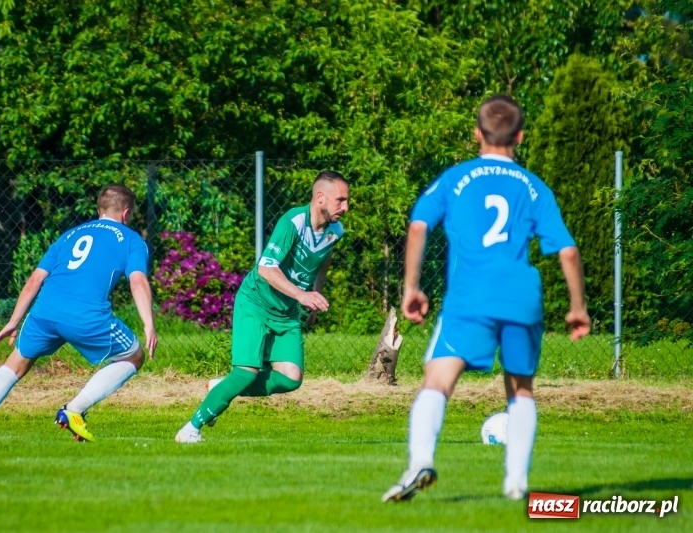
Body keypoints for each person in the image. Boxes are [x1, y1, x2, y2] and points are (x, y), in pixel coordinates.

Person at [382, 95, 590, 502]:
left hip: (470, 295)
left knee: (437, 381)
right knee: (520, 389)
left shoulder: (456, 177)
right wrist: (577, 306)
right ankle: (516, 483)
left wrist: (411, 286)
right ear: (520, 137)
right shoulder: (534, 187)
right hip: (520, 296)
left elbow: (418, 225)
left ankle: (419, 461)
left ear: (477, 134)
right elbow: (567, 251)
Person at [0, 184, 157, 444]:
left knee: (15, 364)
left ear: (98, 209)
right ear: (126, 214)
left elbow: (35, 279)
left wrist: (13, 321)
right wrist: (148, 324)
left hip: (44, 311)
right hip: (85, 315)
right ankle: (74, 410)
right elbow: (137, 281)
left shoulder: (70, 235)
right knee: (133, 356)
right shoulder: (132, 239)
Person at [175, 170, 350, 443]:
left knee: (291, 377)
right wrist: (301, 296)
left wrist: (315, 295)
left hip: (286, 312)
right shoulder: (292, 223)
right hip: (255, 303)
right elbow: (267, 269)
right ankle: (190, 428)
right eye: (340, 200)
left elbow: (323, 262)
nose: (345, 207)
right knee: (246, 372)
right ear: (320, 198)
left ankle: (223, 387)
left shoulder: (335, 231)